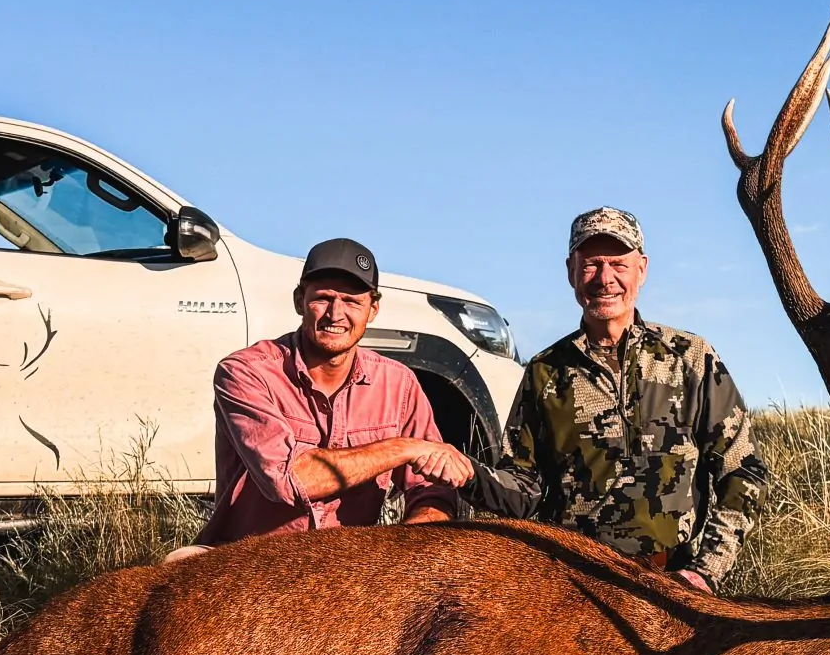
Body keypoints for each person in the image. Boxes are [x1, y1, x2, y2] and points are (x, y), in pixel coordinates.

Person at [469, 208, 767, 589]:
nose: (604, 278)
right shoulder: (544, 372)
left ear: (641, 270)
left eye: (618, 265)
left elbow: (744, 470)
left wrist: (705, 571)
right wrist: (468, 474)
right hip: (575, 588)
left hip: (674, 586)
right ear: (571, 272)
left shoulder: (690, 358)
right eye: (591, 264)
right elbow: (522, 490)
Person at [186, 237, 473, 550]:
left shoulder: (399, 384)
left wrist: (404, 549)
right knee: (177, 563)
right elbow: (289, 479)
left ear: (373, 310)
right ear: (299, 301)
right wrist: (405, 448)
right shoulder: (245, 372)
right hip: (245, 559)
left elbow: (434, 490)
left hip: (348, 565)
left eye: (352, 302)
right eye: (323, 298)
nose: (335, 314)